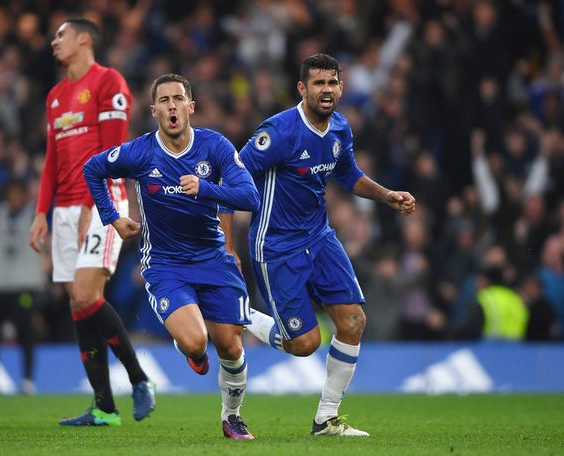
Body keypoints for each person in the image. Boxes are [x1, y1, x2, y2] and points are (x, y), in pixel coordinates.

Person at [229, 54, 416, 436]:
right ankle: (238, 312)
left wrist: (386, 195)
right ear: (302, 89)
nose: (326, 90)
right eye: (318, 83)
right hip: (277, 245)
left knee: (353, 321)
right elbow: (234, 176)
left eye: (332, 82)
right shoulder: (278, 132)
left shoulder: (340, 129)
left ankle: (326, 420)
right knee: (304, 344)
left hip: (319, 237)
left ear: (341, 87)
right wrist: (228, 245)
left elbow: (349, 174)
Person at [83, 73, 260, 440]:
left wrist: (206, 188)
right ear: (154, 111)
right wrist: (113, 218)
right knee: (197, 343)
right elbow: (93, 169)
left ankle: (232, 416)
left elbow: (250, 198)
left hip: (213, 257)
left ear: (191, 107)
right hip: (165, 265)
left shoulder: (216, 147)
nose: (172, 106)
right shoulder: (141, 151)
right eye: (164, 101)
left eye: (178, 99)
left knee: (230, 344)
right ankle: (191, 348)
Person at [28, 17, 154, 426]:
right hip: (62, 209)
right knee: (79, 305)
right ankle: (104, 406)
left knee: (85, 294)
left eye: (60, 35)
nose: (54, 42)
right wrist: (41, 213)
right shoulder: (55, 97)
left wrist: (89, 205)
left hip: (103, 200)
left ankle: (139, 379)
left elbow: (113, 153)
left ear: (84, 39)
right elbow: (52, 161)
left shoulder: (108, 83)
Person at [0, 178, 46, 395]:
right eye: (11, 193)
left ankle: (27, 382)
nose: (14, 197)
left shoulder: (36, 214)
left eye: (18, 193)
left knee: (24, 331)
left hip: (25, 286)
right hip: (1, 286)